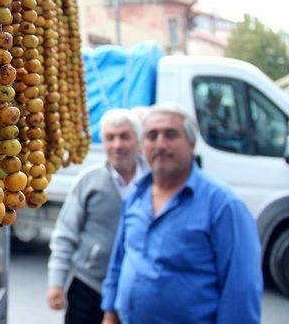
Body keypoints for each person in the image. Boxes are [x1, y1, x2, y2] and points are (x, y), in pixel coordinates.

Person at [101, 103, 262, 324]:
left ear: (192, 144)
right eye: (152, 136)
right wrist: (110, 315)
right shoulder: (135, 196)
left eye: (170, 134)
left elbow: (241, 290)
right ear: (142, 146)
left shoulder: (224, 206)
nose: (160, 144)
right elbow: (119, 262)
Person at [46, 109, 147, 324]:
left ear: (138, 141)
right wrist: (56, 283)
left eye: (124, 137)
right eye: (110, 137)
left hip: (138, 290)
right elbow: (65, 233)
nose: (117, 145)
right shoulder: (89, 181)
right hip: (89, 286)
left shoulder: (154, 183)